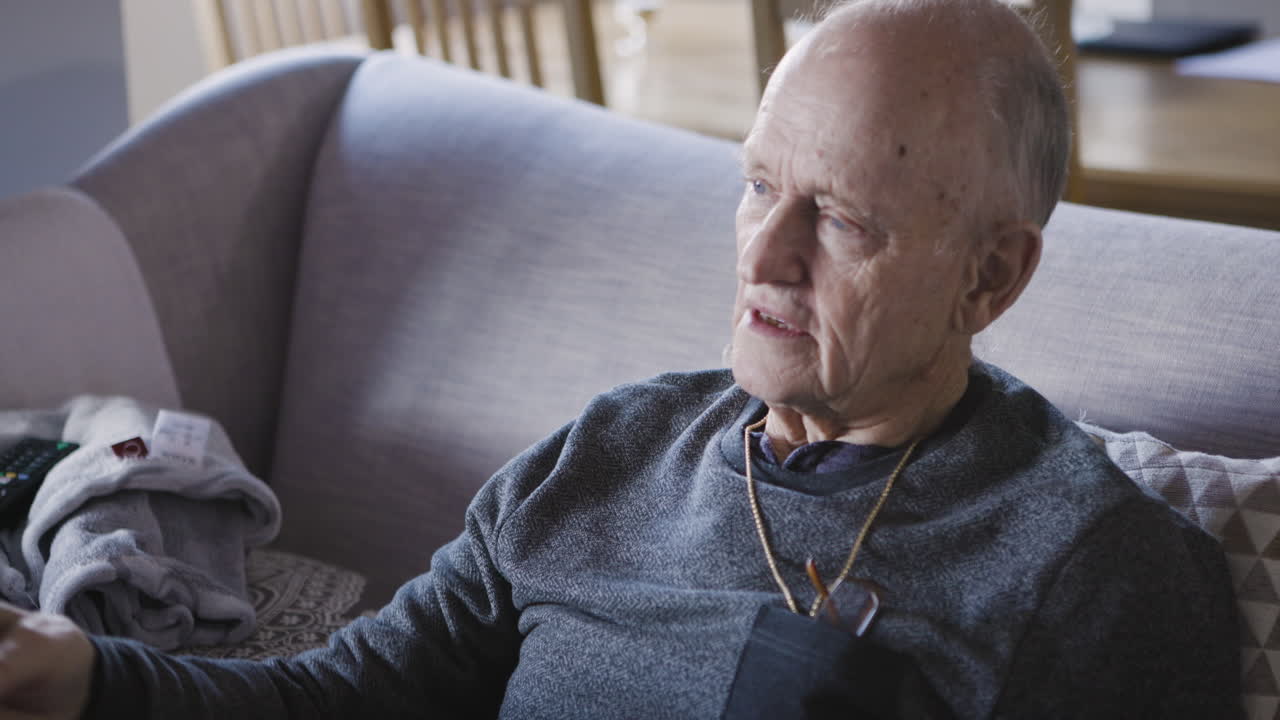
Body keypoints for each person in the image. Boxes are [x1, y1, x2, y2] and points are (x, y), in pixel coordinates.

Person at [0, 0, 1242, 717]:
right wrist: (87, 677)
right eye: (757, 184)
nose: (764, 254)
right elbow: (360, 696)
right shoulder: (614, 450)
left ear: (991, 276)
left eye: (843, 221)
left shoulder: (1088, 566)